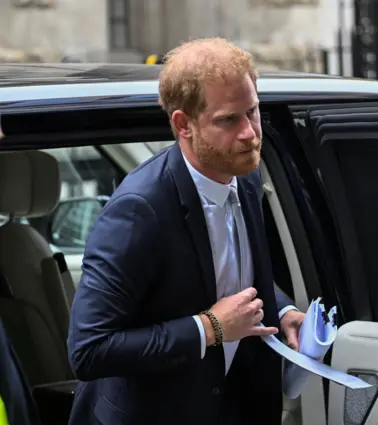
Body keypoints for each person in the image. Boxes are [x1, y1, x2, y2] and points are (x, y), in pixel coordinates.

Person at [67, 37, 306, 425]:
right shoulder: (140, 209)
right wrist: (209, 328)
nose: (249, 132)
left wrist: (283, 310)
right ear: (184, 125)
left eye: (253, 112)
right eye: (229, 119)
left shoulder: (242, 173)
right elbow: (89, 349)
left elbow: (234, 273)